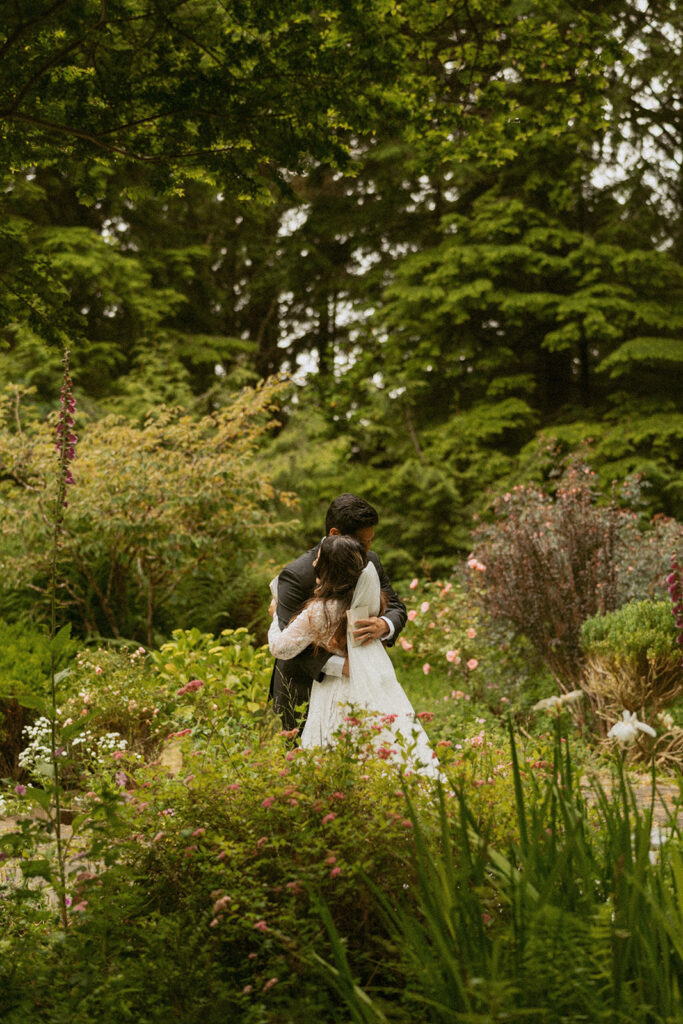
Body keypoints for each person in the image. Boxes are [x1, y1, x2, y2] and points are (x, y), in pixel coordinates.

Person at [268, 534, 440, 777]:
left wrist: (276, 616)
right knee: (372, 747)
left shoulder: (319, 611)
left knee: (334, 752)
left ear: (327, 568)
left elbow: (279, 648)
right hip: (364, 686)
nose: (314, 563)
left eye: (319, 559)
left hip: (334, 692)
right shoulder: (367, 602)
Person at [269, 494, 406, 732]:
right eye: (363, 543)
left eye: (370, 541)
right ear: (335, 534)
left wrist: (384, 625)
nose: (368, 550)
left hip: (361, 686)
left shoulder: (370, 561)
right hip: (305, 688)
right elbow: (289, 647)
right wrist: (344, 667)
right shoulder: (296, 575)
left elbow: (396, 606)